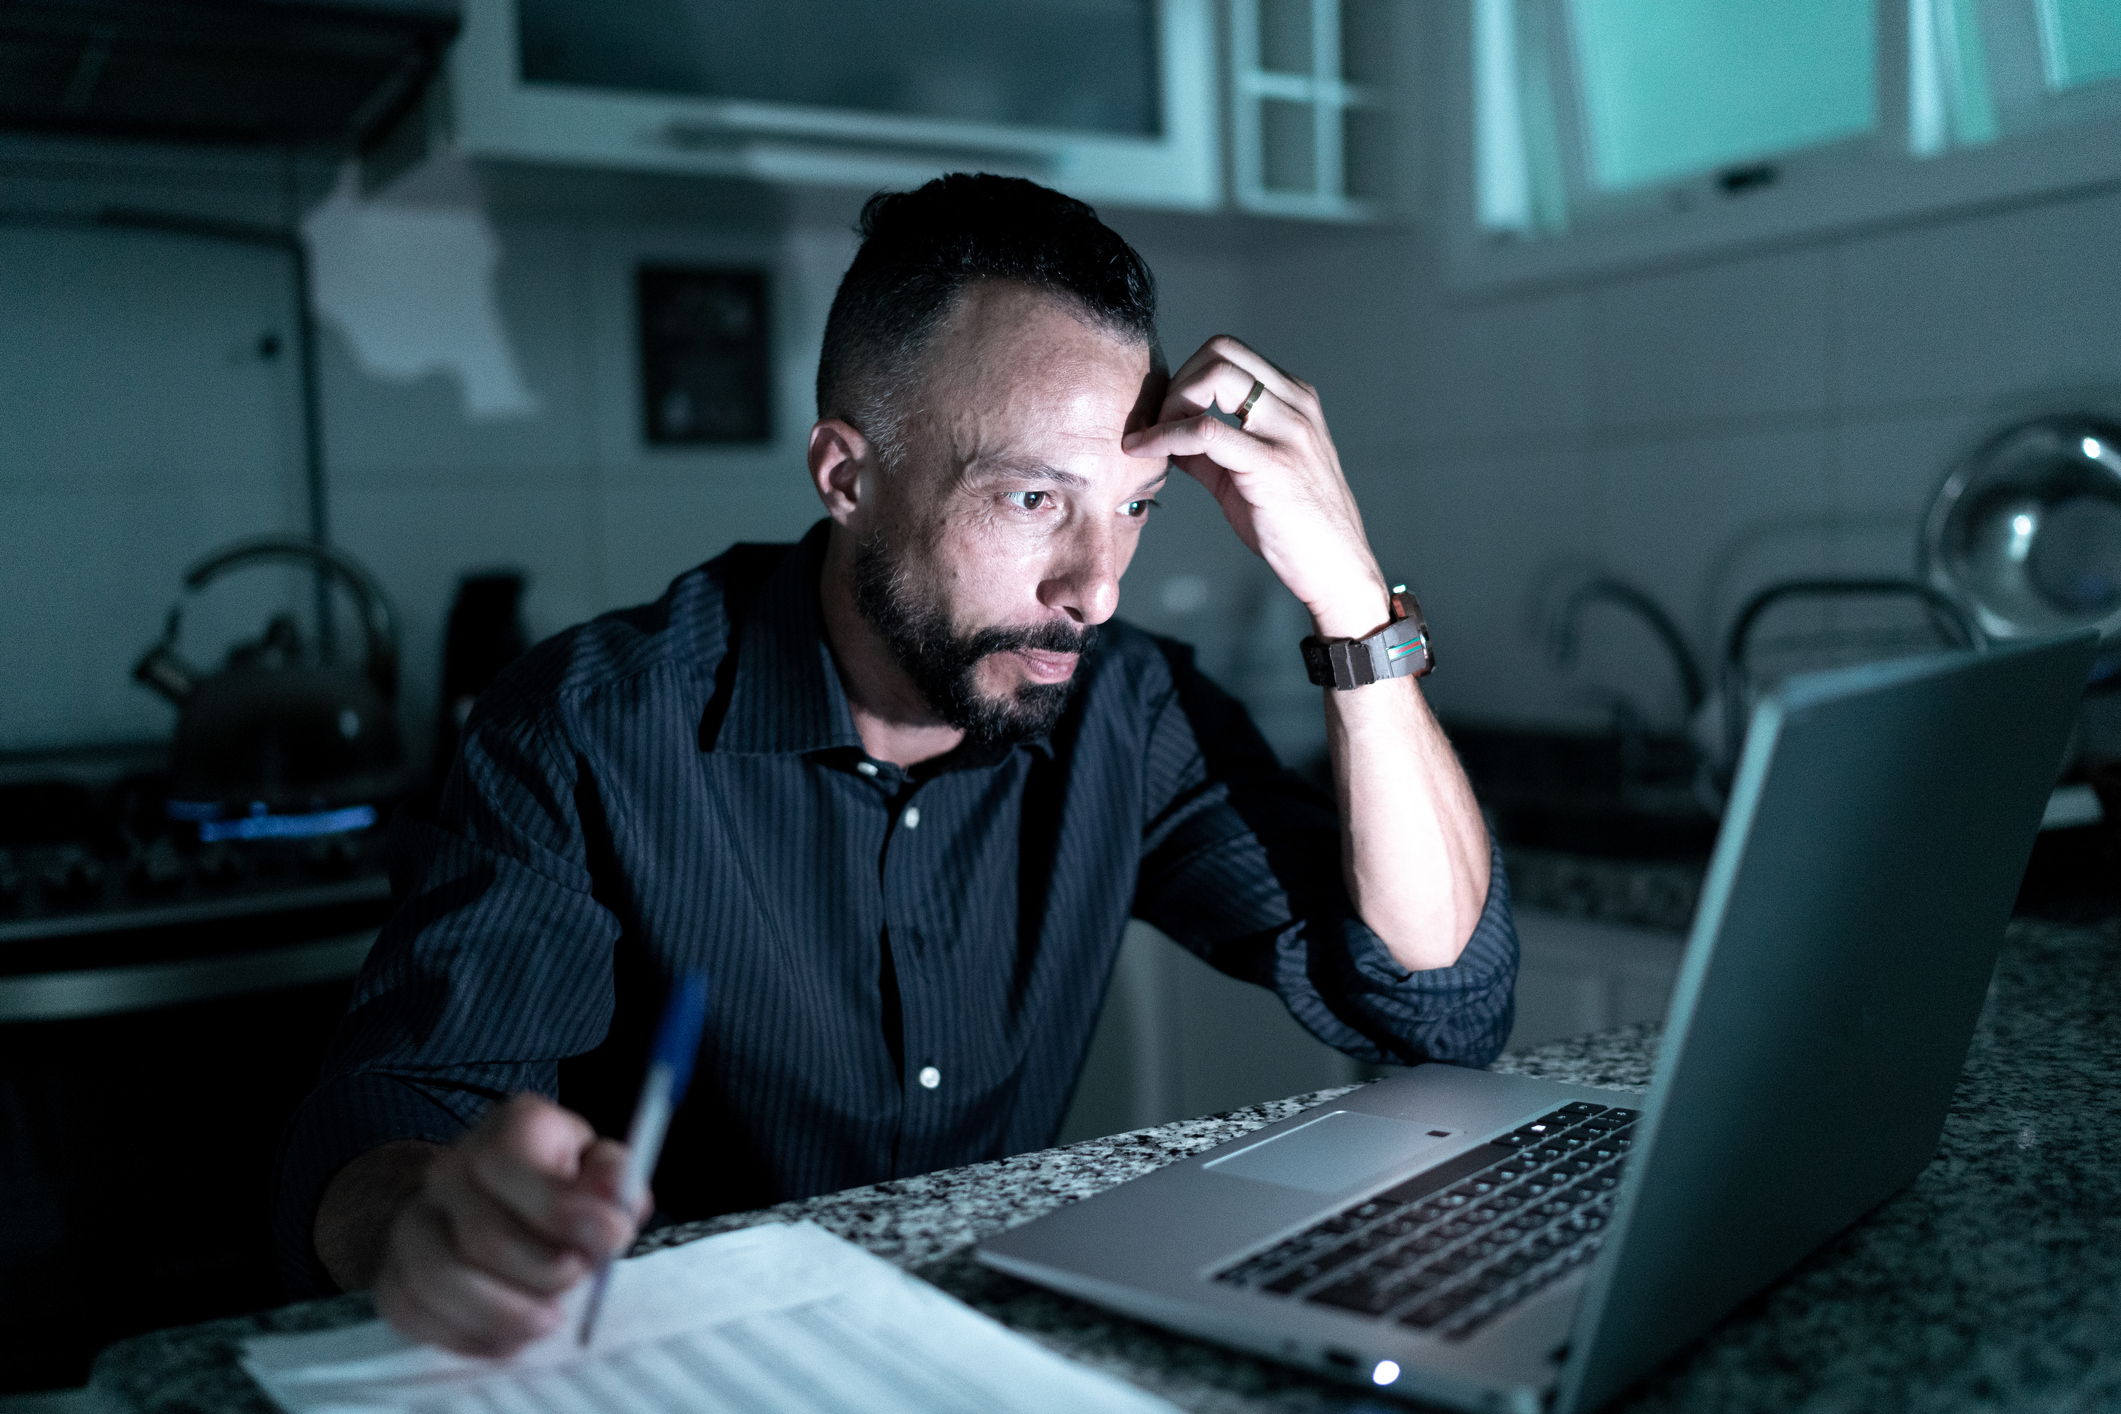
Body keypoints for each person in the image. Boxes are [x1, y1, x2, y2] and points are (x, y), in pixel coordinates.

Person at [274, 173, 1518, 1356]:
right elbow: (391, 1121)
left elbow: (1437, 1001)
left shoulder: (1128, 710)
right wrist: (436, 1222)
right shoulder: (585, 726)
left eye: (1134, 504)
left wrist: (1353, 601)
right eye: (1034, 500)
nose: (1096, 587)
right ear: (847, 475)